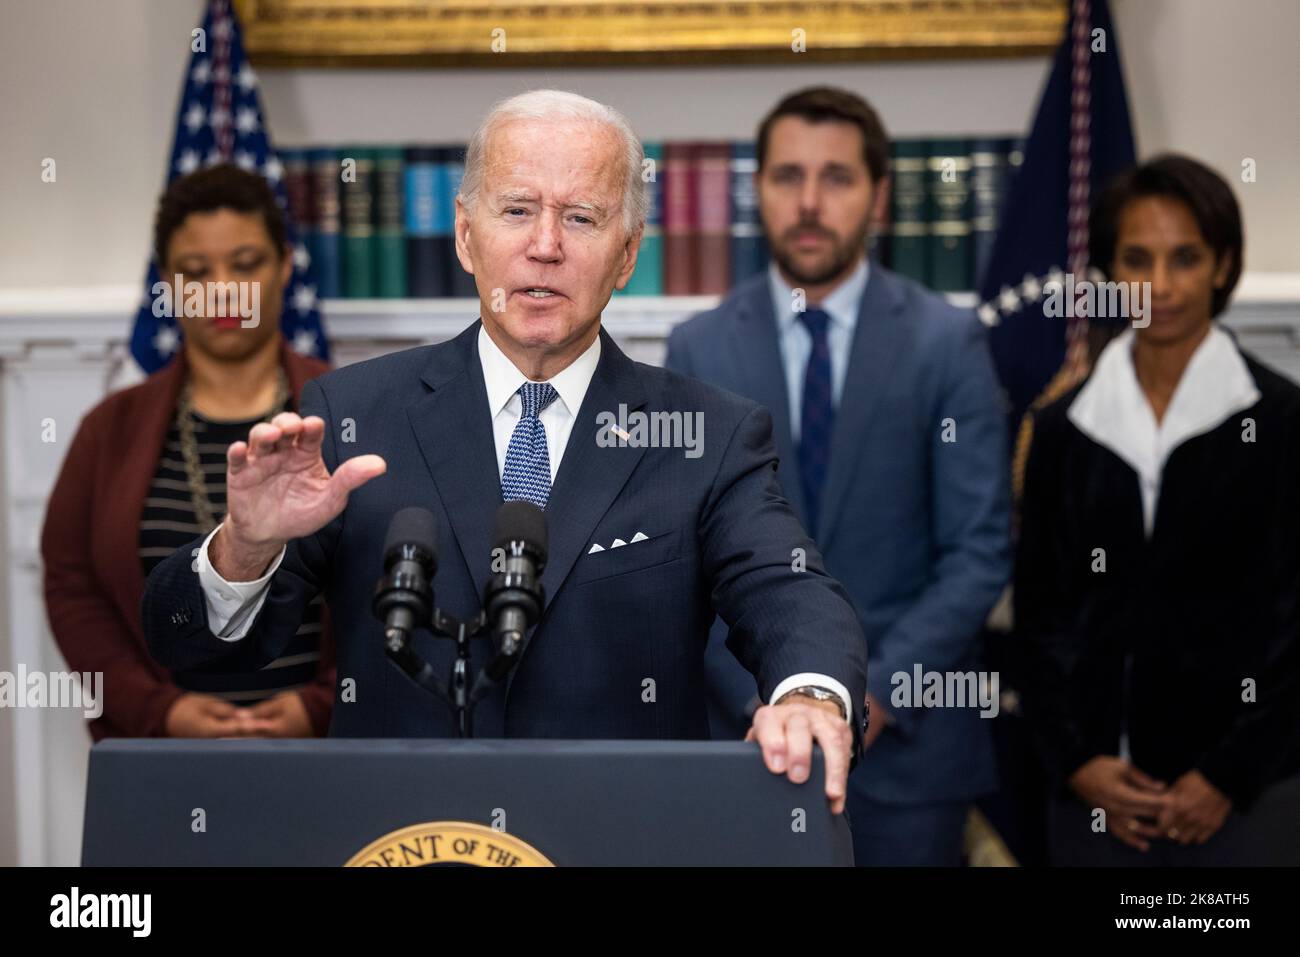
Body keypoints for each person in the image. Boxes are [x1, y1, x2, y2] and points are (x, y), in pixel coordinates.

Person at [141, 90, 868, 813]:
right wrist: (244, 547)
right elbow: (201, 653)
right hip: (402, 841)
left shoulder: (706, 433)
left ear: (625, 254)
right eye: (517, 210)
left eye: (580, 217)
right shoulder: (352, 414)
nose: (545, 245)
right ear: (465, 236)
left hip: (621, 837)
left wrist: (809, 694)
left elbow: (790, 590)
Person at [665, 87, 1011, 865]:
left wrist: (865, 693)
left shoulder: (947, 343)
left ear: (879, 195)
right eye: (788, 176)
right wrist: (772, 697)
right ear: (758, 192)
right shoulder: (699, 347)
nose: (810, 202)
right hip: (747, 742)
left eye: (838, 178)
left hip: (908, 757)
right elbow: (682, 561)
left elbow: (979, 550)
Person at [1016, 154, 1300, 865]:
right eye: (1137, 259)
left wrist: (1227, 775)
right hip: (1093, 804)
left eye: (1186, 258)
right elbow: (1039, 618)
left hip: (1250, 798)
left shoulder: (1283, 419)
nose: (1161, 286)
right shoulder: (1061, 429)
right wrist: (1077, 760)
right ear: (1111, 273)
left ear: (1223, 266)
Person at [43, 164, 336, 740]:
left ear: (284, 266)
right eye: (196, 271)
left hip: (327, 759)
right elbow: (73, 589)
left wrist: (321, 706)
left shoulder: (352, 410)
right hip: (159, 761)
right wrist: (160, 711)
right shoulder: (109, 430)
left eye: (246, 264)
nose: (223, 288)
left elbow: (389, 588)